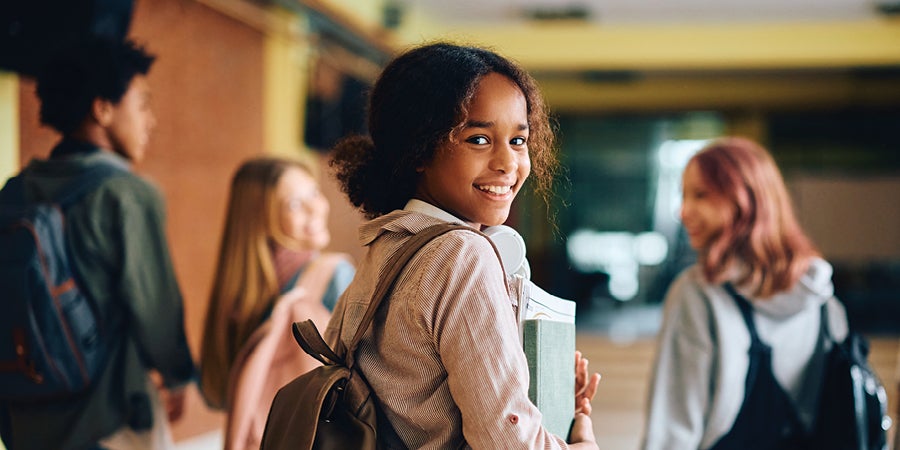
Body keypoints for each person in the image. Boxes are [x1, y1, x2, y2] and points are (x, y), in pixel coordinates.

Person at [325, 42, 601, 449]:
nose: (508, 163)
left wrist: (541, 398)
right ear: (419, 147)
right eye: (478, 139)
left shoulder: (388, 247)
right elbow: (507, 441)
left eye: (518, 141)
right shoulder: (461, 255)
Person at [0, 37, 195, 450]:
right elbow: (155, 305)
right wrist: (178, 377)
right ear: (102, 109)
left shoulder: (14, 192)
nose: (151, 121)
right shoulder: (126, 193)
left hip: (24, 420)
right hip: (107, 419)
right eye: (142, 104)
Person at [641, 137, 849, 449]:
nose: (683, 212)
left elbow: (673, 428)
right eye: (684, 195)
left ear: (745, 201)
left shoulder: (699, 294)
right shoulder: (824, 303)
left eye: (702, 195)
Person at [199, 156, 354, 450]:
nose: (315, 207)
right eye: (294, 204)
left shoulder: (238, 296)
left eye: (313, 193)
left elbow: (215, 393)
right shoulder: (333, 275)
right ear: (262, 218)